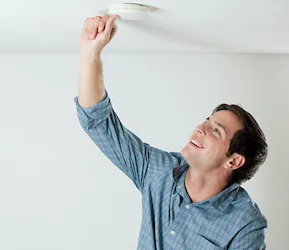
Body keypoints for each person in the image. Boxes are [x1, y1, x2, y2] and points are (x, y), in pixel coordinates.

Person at [74, 15, 268, 249]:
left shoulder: (245, 223)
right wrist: (89, 54)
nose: (200, 129)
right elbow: (98, 123)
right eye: (206, 121)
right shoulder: (157, 171)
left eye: (216, 130)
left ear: (234, 160)